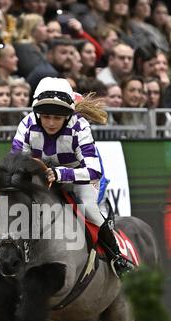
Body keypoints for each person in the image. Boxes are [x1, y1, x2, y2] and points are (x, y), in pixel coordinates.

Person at [11, 76, 133, 278]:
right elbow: (15, 160)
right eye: (46, 116)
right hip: (41, 179)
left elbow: (94, 171)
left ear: (68, 115)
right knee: (14, 205)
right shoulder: (26, 124)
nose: (51, 123)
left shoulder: (80, 126)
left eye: (57, 118)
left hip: (77, 179)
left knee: (91, 210)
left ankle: (116, 257)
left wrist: (60, 173)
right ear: (37, 112)